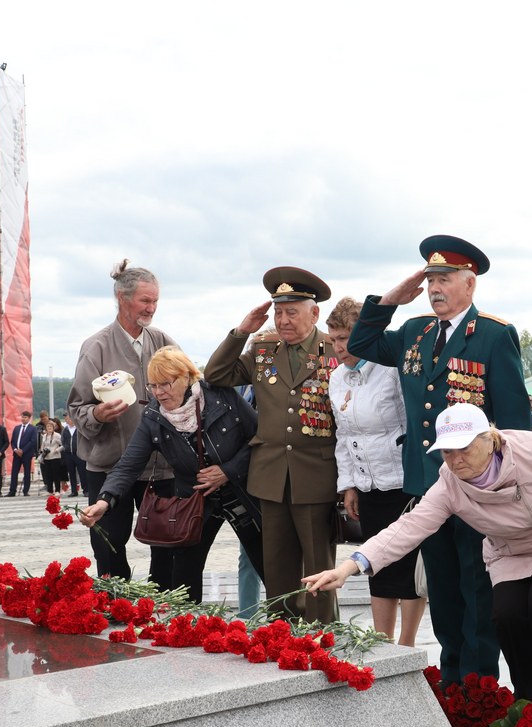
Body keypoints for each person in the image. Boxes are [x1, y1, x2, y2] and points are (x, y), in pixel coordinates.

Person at [302, 403, 532, 707]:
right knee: (507, 614)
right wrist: (350, 566)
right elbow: (409, 527)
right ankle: (526, 696)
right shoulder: (449, 483)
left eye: (464, 448)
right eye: (447, 452)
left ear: (489, 440)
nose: (456, 460)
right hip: (511, 551)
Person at [348, 234, 528, 685]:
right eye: (430, 280)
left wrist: (506, 483)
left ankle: (479, 686)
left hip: (477, 487)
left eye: (444, 279)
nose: (435, 289)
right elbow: (362, 341)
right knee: (443, 593)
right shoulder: (414, 332)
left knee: (476, 591)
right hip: (428, 486)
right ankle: (451, 682)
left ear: (470, 284)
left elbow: (513, 421)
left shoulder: (491, 334)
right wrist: (391, 300)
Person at [205, 267, 340, 622]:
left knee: (318, 562)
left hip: (316, 472)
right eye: (278, 312)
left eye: (292, 312)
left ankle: (323, 632)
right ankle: (283, 631)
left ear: (314, 313)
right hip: (271, 474)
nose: (283, 320)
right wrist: (241, 333)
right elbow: (217, 375)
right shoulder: (263, 348)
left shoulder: (333, 350)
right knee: (276, 561)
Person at [81, 346, 265, 602]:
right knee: (184, 581)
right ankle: (188, 632)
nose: (159, 393)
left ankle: (293, 630)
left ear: (187, 377)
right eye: (153, 386)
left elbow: (260, 436)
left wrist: (227, 471)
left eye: (165, 384)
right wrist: (104, 500)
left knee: (269, 564)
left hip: (242, 492)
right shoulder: (154, 415)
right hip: (195, 501)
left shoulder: (221, 395)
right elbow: (128, 464)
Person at [68, 259, 178, 579]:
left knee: (167, 543)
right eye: (145, 300)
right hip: (109, 465)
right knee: (109, 544)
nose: (152, 308)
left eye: (155, 301)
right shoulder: (96, 346)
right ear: (122, 297)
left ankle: (163, 607)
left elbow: (190, 387)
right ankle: (116, 607)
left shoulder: (163, 342)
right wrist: (97, 414)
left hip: (160, 465)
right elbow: (77, 407)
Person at [326, 296, 426, 646]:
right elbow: (343, 434)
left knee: (408, 568)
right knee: (375, 564)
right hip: (367, 483)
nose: (341, 347)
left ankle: (407, 643)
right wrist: (349, 485)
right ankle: (383, 641)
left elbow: (415, 422)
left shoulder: (391, 369)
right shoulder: (337, 378)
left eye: (346, 337)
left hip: (403, 481)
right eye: (334, 339)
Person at [8, 411, 38, 497]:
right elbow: (13, 441)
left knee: (27, 473)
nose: (23, 419)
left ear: (29, 418)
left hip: (27, 454)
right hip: (17, 454)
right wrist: (15, 449)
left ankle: (25, 490)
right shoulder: (17, 428)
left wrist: (23, 450)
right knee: (14, 472)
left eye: (25, 417)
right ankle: (12, 490)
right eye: (22, 417)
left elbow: (32, 441)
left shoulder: (32, 429)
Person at [61, 414, 86, 497]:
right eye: (67, 419)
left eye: (70, 419)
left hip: (78, 454)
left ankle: (86, 490)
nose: (69, 420)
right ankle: (74, 491)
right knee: (71, 473)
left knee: (82, 472)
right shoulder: (65, 430)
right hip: (69, 454)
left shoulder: (79, 429)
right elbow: (63, 440)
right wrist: (66, 448)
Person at [39, 419, 64, 494]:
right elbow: (42, 446)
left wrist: (57, 450)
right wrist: (42, 452)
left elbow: (63, 445)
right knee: (48, 474)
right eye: (48, 426)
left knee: (56, 474)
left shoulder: (57, 435)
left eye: (50, 426)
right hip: (47, 457)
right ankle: (49, 490)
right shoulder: (44, 436)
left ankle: (57, 490)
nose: (49, 428)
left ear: (53, 428)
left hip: (55, 457)